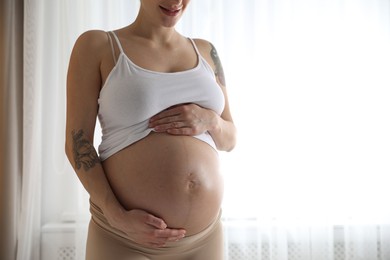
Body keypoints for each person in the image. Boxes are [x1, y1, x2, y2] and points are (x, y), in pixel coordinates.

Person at [65, 0, 236, 259]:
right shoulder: (97, 46)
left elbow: (230, 139)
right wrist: (117, 217)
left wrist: (210, 120)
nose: (176, 2)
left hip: (204, 239)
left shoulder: (206, 51)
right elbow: (77, 143)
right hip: (125, 238)